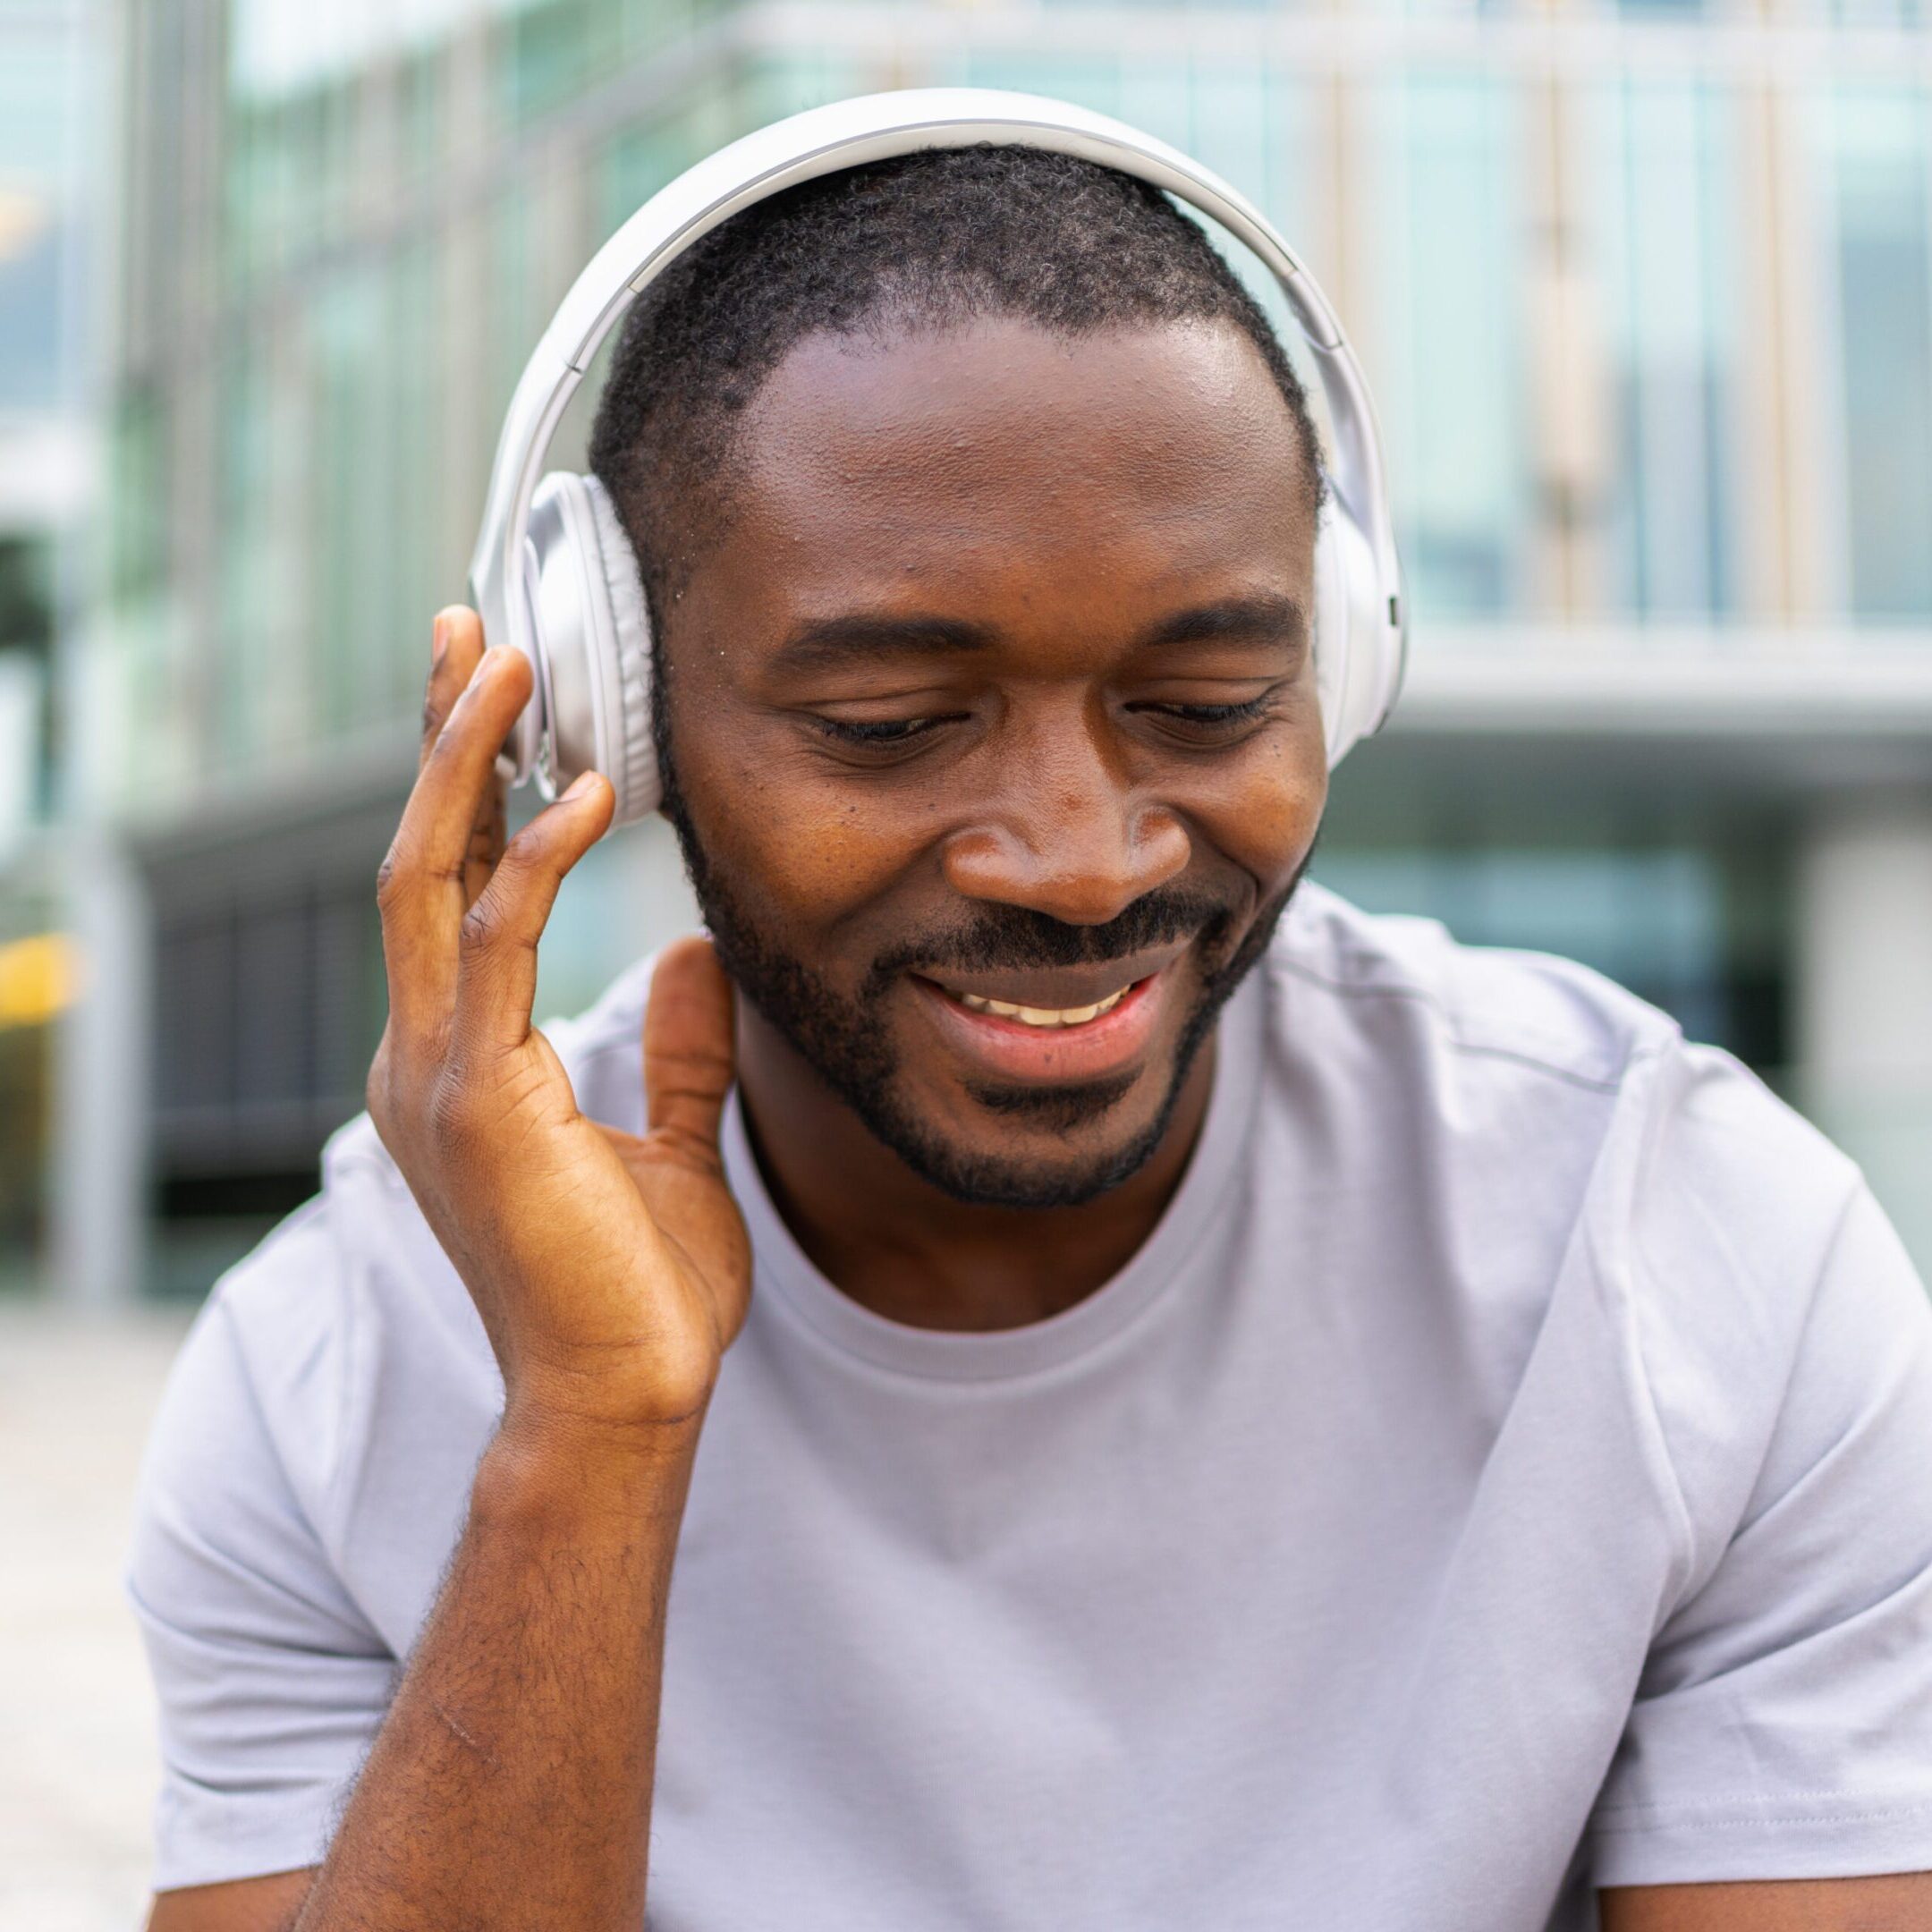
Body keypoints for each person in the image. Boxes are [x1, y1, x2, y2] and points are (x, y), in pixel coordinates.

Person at [130, 140, 1932, 1932]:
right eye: (896, 723)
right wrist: (586, 1434)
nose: (1084, 862)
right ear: (615, 718)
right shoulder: (338, 1363)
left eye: (1207, 703)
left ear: (1345, 665)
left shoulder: (1693, 1259)